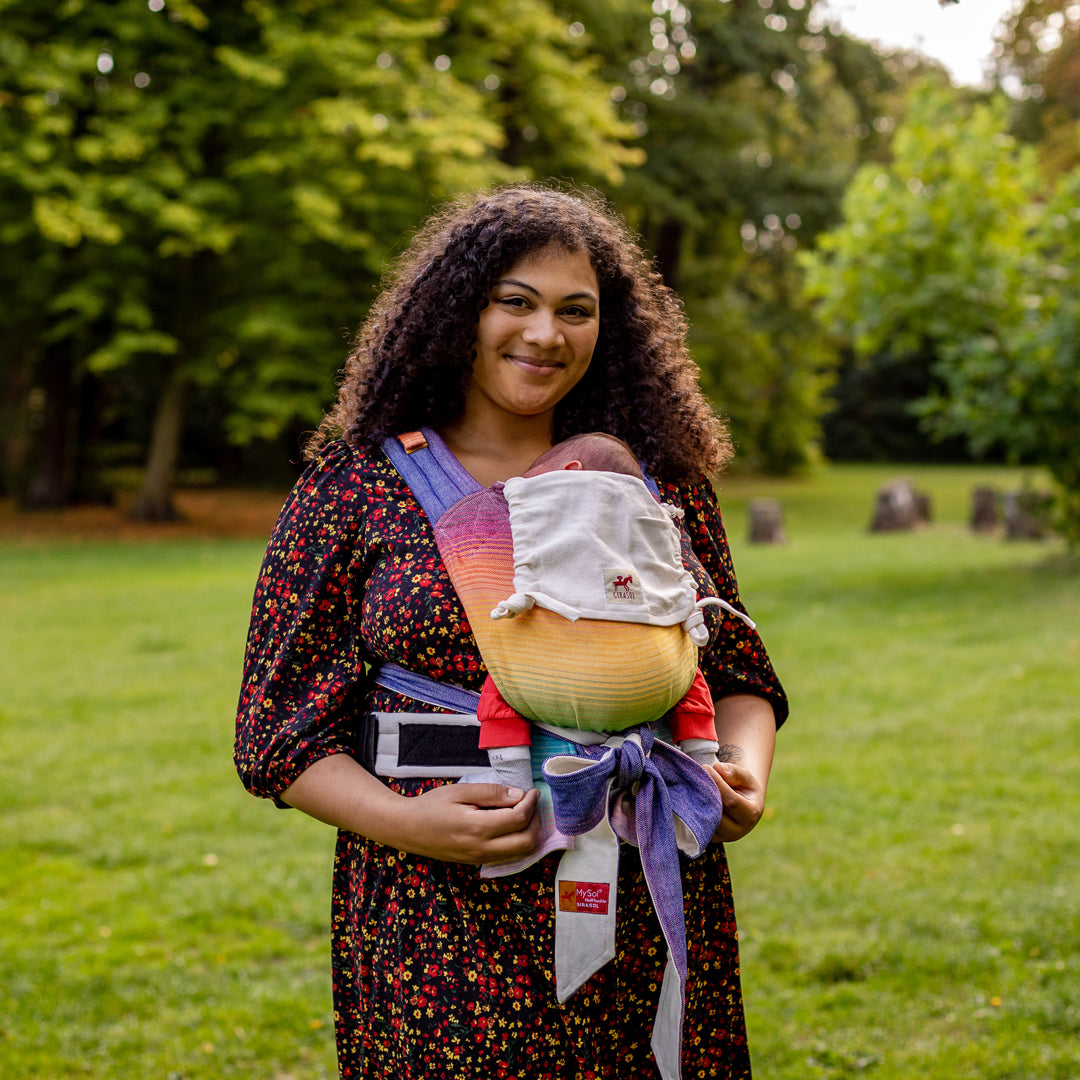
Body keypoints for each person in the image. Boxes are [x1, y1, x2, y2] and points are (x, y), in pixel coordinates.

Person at [234, 183, 788, 1080]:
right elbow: (279, 733)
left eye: (578, 311)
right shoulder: (353, 488)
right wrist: (408, 825)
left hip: (646, 889)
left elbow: (739, 674)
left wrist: (745, 782)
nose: (546, 334)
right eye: (516, 302)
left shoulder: (657, 483)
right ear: (459, 312)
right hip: (437, 911)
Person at [460, 431, 752, 791]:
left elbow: (746, 668)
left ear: (570, 471)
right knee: (688, 670)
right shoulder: (655, 521)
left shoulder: (548, 522)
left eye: (534, 476)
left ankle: (511, 784)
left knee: (504, 678)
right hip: (657, 677)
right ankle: (705, 764)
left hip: (548, 671)